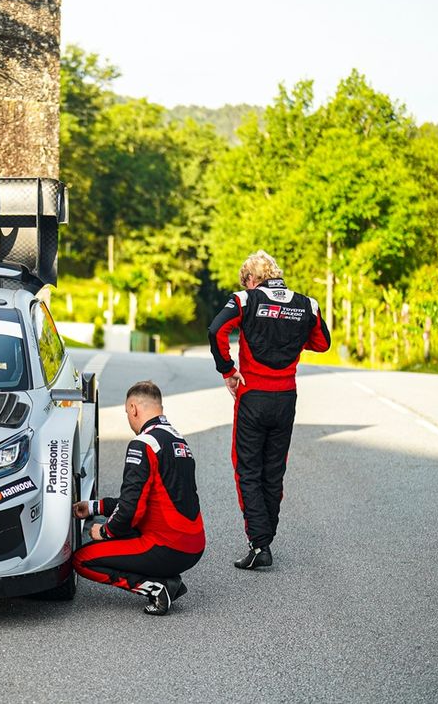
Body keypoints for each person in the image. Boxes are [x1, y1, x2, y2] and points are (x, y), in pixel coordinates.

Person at [207, 250, 331, 570]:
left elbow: (216, 330)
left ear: (251, 279)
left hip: (253, 396)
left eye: (245, 281)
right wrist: (289, 338)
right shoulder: (308, 303)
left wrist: (228, 371)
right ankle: (267, 536)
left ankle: (260, 544)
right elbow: (322, 343)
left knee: (247, 468)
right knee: (274, 469)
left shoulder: (245, 300)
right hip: (286, 396)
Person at [71, 381, 205, 616]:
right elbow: (149, 500)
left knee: (82, 560)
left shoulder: (143, 444)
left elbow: (130, 510)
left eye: (126, 413)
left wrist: (104, 532)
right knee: (129, 531)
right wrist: (94, 507)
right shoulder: (179, 441)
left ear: (133, 408)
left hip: (167, 545)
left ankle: (156, 588)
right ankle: (168, 580)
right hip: (193, 545)